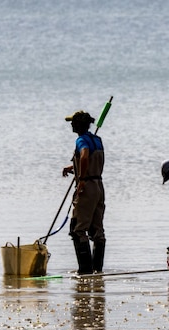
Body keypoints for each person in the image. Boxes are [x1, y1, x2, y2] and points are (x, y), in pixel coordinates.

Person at [62, 111, 106, 274]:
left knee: (78, 229)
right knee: (97, 230)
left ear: (79, 124)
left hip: (86, 187)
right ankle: (97, 270)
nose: (71, 125)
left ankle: (85, 270)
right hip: (99, 186)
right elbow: (93, 160)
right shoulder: (97, 139)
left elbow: (85, 155)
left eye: (73, 122)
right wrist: (74, 167)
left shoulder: (81, 140)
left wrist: (81, 179)